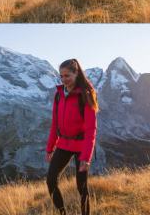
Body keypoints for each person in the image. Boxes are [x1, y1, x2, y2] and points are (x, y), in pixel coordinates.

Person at [46, 59, 99, 215]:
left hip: (81, 145)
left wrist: (86, 158)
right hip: (63, 144)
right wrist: (50, 148)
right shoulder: (59, 94)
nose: (64, 80)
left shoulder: (86, 94)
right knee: (51, 180)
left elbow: (91, 129)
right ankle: (62, 212)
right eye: (61, 76)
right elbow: (55, 124)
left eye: (67, 76)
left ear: (76, 74)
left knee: (81, 186)